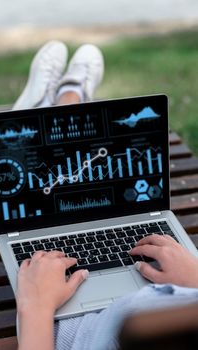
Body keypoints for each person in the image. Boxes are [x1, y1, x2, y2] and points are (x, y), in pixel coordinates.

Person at [14, 41, 198, 350]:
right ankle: (64, 100)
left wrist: (35, 308)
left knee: (43, 208)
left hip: (64, 324)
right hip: (179, 289)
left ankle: (47, 110)